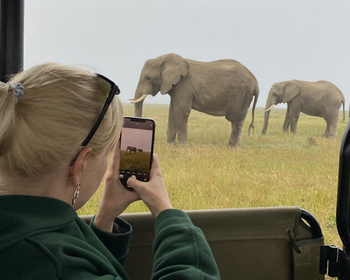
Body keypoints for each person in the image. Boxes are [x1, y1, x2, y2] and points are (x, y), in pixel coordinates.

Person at [0, 63, 221, 279]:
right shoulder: (53, 264)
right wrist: (168, 214)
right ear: (80, 164)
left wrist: (104, 219)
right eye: (106, 153)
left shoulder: (30, 234)